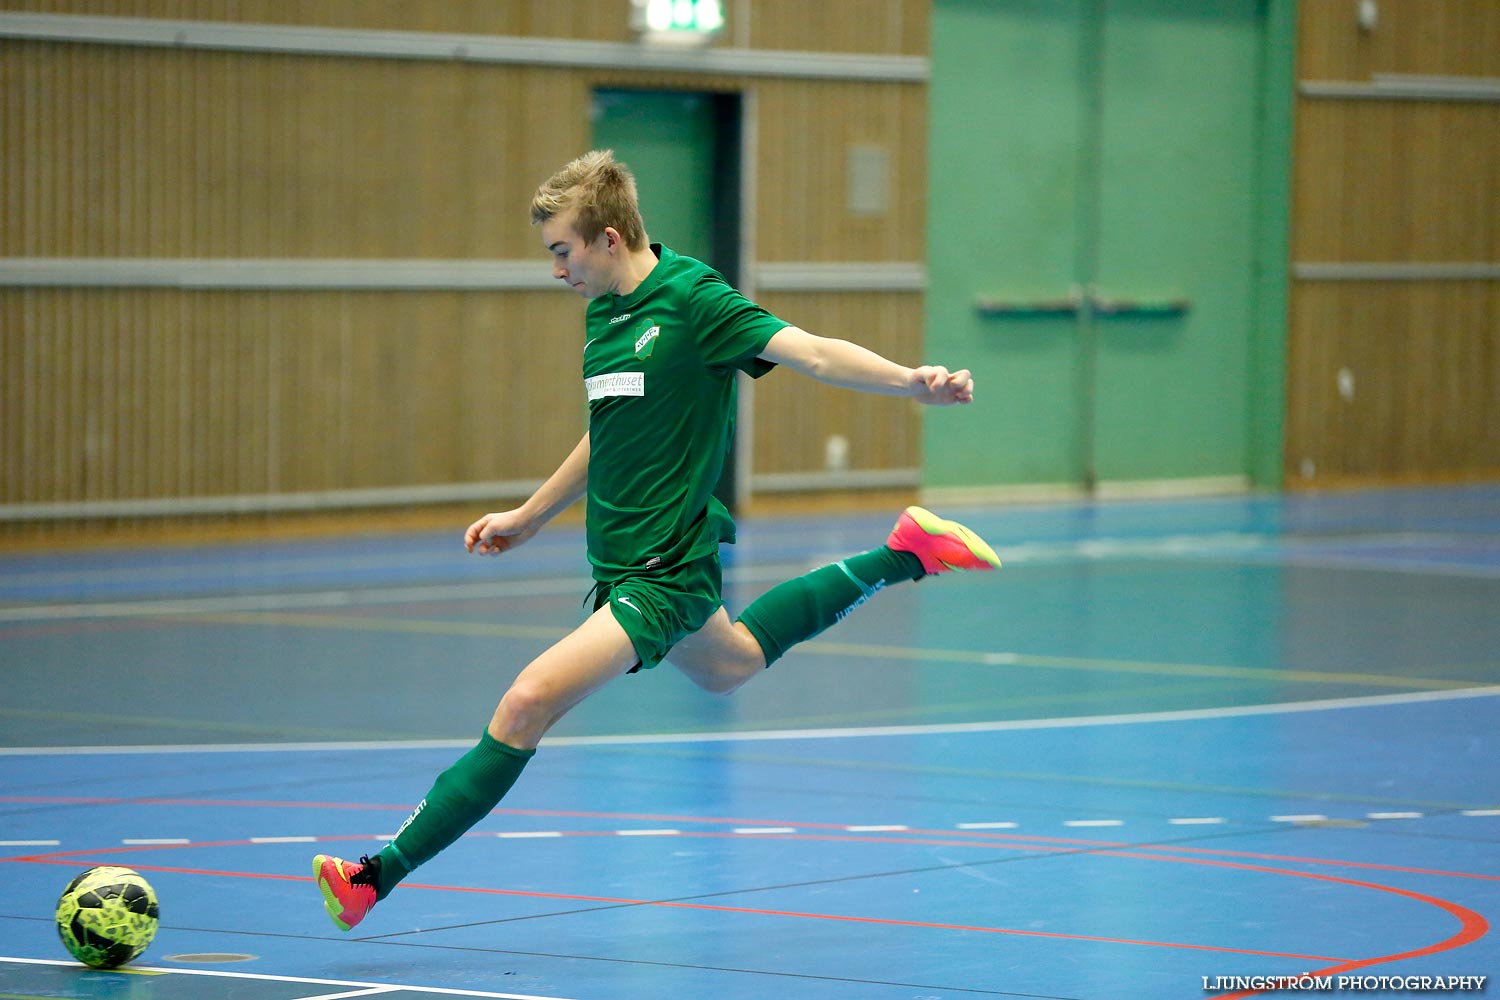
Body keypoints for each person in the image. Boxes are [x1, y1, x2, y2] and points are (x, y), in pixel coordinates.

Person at [313, 149, 999, 930]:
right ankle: (909, 550)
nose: (556, 270)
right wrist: (532, 515)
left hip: (661, 571)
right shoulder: (603, 315)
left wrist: (914, 381)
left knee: (527, 701)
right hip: (618, 563)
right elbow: (608, 430)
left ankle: (373, 875)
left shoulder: (695, 302)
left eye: (561, 251)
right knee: (731, 664)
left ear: (609, 238)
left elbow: (809, 351)